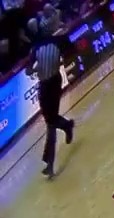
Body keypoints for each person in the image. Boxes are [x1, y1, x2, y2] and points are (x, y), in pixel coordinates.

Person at [28, 6, 73, 178]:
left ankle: (49, 162)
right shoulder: (51, 43)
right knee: (50, 120)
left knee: (50, 124)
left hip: (53, 83)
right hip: (45, 85)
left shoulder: (55, 42)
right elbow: (28, 70)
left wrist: (37, 69)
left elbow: (28, 71)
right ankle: (67, 125)